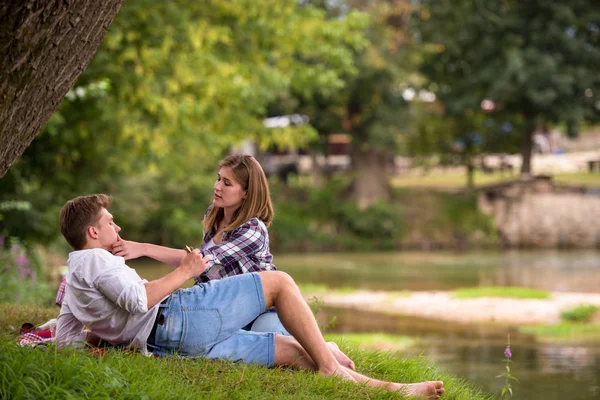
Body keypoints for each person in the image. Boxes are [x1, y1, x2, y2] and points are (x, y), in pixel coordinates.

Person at [56, 194, 445, 399]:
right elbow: (140, 300)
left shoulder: (76, 271)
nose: (116, 225)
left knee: (293, 352)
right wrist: (185, 272)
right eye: (109, 221)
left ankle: (394, 391)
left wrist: (94, 338)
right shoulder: (98, 262)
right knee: (278, 281)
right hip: (177, 320)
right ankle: (330, 363)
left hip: (170, 342)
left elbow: (68, 333)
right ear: (93, 233)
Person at [112, 154, 286, 334]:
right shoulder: (213, 215)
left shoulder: (253, 229)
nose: (216, 187)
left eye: (227, 183)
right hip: (229, 310)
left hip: (261, 311)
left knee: (266, 337)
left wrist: (143, 249)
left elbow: (201, 261)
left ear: (247, 193)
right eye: (218, 179)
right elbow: (198, 263)